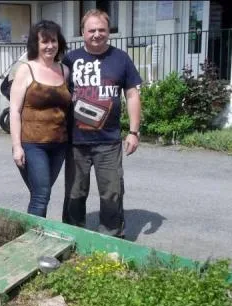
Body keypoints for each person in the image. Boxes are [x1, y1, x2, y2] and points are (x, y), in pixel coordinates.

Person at [62, 9, 142, 238]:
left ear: (109, 31)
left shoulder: (121, 58)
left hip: (109, 141)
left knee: (112, 193)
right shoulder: (70, 60)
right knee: (75, 193)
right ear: (82, 32)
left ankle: (112, 237)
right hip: (76, 141)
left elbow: (132, 95)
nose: (97, 34)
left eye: (102, 30)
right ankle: (72, 236)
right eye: (92, 30)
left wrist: (134, 132)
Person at [10, 20, 71, 217]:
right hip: (32, 145)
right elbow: (14, 111)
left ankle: (33, 232)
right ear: (36, 44)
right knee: (41, 195)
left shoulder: (64, 70)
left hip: (59, 145)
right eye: (44, 41)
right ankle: (32, 241)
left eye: (53, 41)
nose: (50, 46)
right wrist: (17, 146)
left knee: (40, 192)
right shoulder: (25, 70)